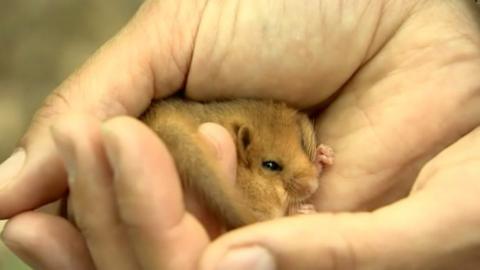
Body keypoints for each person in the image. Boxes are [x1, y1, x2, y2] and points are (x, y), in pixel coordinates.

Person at [1, 0, 480, 269]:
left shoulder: (285, 122)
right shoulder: (234, 138)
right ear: (244, 143)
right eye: (274, 167)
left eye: (301, 157)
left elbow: (294, 136)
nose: (306, 176)